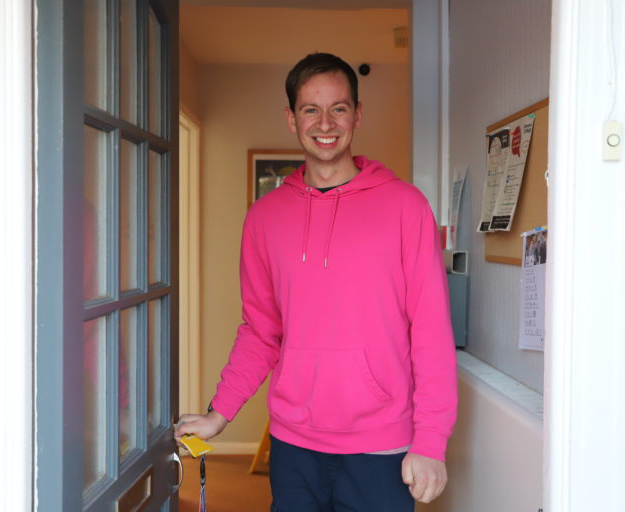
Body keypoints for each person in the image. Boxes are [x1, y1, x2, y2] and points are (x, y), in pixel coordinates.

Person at [175, 52, 458, 511]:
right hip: (295, 443)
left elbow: (430, 331)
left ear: (357, 115)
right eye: (311, 109)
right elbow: (260, 331)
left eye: (339, 108)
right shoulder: (264, 218)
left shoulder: (406, 207)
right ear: (291, 119)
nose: (325, 122)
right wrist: (219, 413)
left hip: (381, 444)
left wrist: (431, 440)